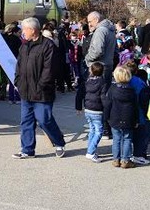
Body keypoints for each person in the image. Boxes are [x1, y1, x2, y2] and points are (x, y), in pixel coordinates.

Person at [12, 17, 66, 159]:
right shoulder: (24, 46)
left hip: (42, 92)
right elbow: (19, 65)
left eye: (24, 29)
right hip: (25, 90)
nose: (23, 32)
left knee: (44, 120)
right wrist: (17, 81)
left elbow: (49, 70)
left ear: (32, 30)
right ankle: (27, 150)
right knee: (26, 121)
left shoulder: (48, 46)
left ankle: (59, 142)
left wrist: (40, 86)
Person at [84, 11, 117, 138]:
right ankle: (106, 128)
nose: (89, 24)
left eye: (90, 21)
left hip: (98, 66)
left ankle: (102, 129)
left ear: (96, 20)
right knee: (105, 97)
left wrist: (88, 58)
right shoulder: (110, 30)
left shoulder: (100, 31)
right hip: (107, 65)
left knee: (98, 99)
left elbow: (97, 50)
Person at [103, 66, 139, 169]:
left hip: (114, 117)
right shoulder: (132, 90)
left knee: (116, 139)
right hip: (128, 118)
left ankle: (116, 159)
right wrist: (136, 119)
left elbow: (107, 104)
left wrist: (106, 117)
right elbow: (135, 106)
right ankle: (125, 160)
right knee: (127, 139)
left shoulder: (112, 89)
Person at [75, 61, 107, 162]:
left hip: (88, 108)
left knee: (93, 130)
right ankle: (91, 152)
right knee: (99, 131)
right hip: (97, 110)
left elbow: (79, 94)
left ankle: (90, 150)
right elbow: (103, 98)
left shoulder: (86, 81)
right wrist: (107, 109)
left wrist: (78, 107)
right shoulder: (103, 83)